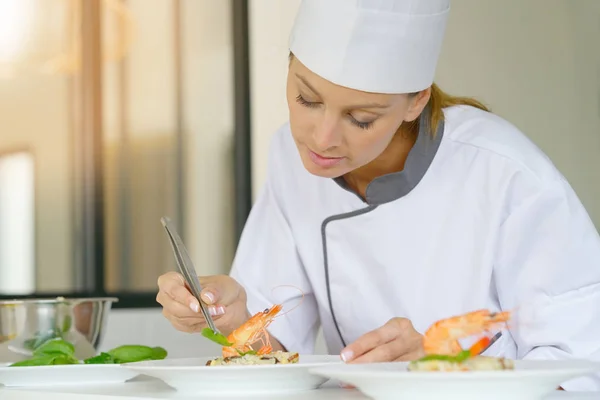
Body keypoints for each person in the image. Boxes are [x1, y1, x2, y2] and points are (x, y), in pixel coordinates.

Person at [156, 0, 600, 391]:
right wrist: (230, 316)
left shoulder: (507, 173)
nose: (322, 138)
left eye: (361, 118)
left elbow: (582, 373)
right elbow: (271, 350)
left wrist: (440, 370)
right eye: (307, 99)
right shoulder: (288, 159)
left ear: (416, 102)